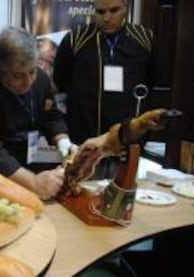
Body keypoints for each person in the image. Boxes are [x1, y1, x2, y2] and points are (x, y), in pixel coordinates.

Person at [53, 0, 155, 179]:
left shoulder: (144, 39)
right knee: (82, 199)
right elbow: (61, 81)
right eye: (100, 12)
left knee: (123, 201)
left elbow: (152, 82)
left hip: (127, 144)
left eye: (113, 10)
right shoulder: (76, 39)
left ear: (125, 7)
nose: (107, 18)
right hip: (84, 144)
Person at [0, 26, 77, 200]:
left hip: (29, 162)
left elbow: (51, 116)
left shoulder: (42, 80)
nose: (28, 81)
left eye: (32, 71)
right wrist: (32, 182)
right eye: (18, 76)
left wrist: (64, 143)